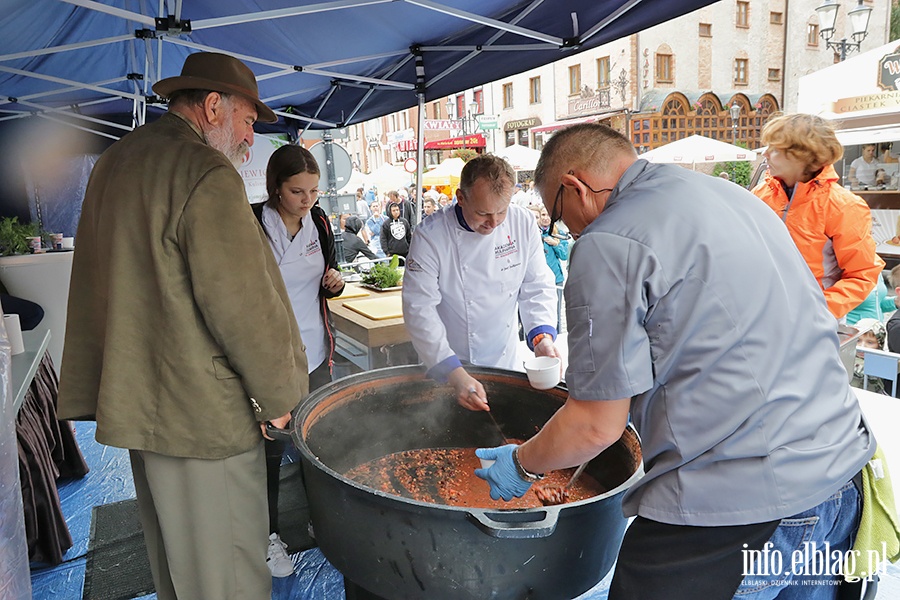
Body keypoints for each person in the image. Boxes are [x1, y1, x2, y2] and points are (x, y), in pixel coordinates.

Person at [475, 123, 875, 599]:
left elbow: (594, 426)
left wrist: (520, 464)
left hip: (738, 502)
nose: (570, 232)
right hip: (843, 477)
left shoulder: (607, 240)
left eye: (561, 219)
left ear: (574, 187)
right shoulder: (740, 199)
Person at [57, 52, 308, 600]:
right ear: (213, 106)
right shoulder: (204, 172)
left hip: (139, 401)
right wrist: (280, 396)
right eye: (247, 121)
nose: (249, 138)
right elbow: (240, 303)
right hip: (203, 416)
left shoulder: (115, 161)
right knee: (227, 575)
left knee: (176, 564)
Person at [251, 144, 345, 577]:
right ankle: (268, 535)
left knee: (319, 440)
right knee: (270, 449)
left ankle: (322, 517)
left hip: (315, 350)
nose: (306, 200)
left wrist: (335, 282)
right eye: (296, 191)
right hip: (269, 355)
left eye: (312, 191)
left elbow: (328, 278)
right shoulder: (252, 223)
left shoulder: (320, 221)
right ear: (274, 189)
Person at [402, 154, 560, 408]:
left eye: (501, 211)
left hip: (505, 360)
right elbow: (419, 309)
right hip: (449, 362)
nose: (494, 223)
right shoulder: (430, 236)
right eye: (483, 213)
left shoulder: (522, 222)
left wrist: (542, 338)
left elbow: (536, 286)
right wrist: (454, 372)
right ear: (460, 197)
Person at [753, 114, 883, 320]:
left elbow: (862, 273)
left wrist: (819, 312)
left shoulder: (843, 206)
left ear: (808, 158)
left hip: (811, 323)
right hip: (760, 315)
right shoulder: (760, 195)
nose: (765, 154)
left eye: (776, 149)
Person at [850, 318, 887, 394]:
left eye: (870, 342)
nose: (862, 346)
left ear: (879, 344)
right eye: (858, 340)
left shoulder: (884, 360)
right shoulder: (845, 356)